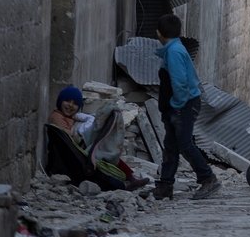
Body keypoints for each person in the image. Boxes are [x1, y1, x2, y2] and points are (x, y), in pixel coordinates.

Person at [153, 14, 221, 200]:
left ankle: (208, 178)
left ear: (158, 33)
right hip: (177, 107)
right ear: (180, 32)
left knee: (184, 144)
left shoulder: (174, 52)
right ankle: (165, 186)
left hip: (182, 106)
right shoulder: (173, 50)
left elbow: (180, 83)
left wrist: (177, 105)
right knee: (171, 147)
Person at [47, 86, 151, 191]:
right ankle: (127, 180)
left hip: (79, 151)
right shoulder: (57, 117)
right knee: (104, 149)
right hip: (77, 153)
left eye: (75, 103)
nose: (70, 105)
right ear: (60, 101)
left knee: (108, 152)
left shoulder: (71, 118)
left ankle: (130, 178)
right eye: (67, 101)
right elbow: (69, 140)